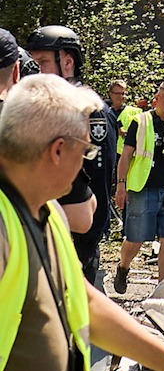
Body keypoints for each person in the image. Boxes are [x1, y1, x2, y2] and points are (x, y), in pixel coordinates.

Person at [0, 75, 164, 371]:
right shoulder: (4, 227)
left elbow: (84, 300)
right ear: (57, 151)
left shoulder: (47, 212)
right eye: (85, 153)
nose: (84, 167)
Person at [23, 26, 115, 286]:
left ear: (67, 62)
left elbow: (99, 175)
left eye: (42, 62)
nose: (35, 71)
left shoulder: (90, 110)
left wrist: (90, 237)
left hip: (78, 232)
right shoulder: (41, 108)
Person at [113, 80, 164, 294]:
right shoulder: (140, 122)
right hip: (143, 189)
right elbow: (126, 156)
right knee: (135, 239)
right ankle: (123, 267)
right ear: (156, 100)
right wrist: (121, 186)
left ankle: (161, 291)